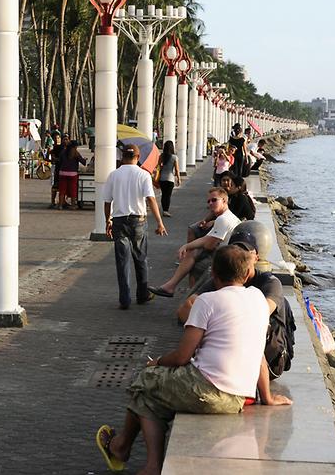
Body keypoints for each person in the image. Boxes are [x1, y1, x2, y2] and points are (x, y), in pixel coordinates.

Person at [95, 245, 270, 475]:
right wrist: (267, 397)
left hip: (205, 389)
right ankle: (133, 454)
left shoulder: (207, 302)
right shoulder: (258, 298)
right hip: (237, 397)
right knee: (152, 397)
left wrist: (156, 362)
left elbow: (181, 357)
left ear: (214, 274)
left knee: (144, 380)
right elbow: (259, 355)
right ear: (248, 274)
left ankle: (133, 455)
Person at [177, 228, 293, 408]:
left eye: (246, 252)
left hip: (269, 357)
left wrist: (213, 321)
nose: (240, 256)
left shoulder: (269, 283)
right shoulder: (224, 278)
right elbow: (184, 310)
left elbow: (255, 317)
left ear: (256, 257)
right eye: (236, 251)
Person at [101, 144, 167, 310]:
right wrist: (159, 222)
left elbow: (107, 202)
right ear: (138, 157)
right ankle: (142, 294)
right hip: (138, 221)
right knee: (140, 258)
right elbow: (151, 199)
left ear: (122, 156)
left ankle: (124, 299)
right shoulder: (143, 175)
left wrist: (107, 220)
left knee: (122, 261)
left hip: (118, 221)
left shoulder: (113, 175)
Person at [149, 187, 239, 297]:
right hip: (229, 254)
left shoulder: (223, 219)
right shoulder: (227, 217)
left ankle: (189, 297)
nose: (210, 203)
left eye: (214, 200)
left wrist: (187, 246)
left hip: (226, 258)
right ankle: (175, 289)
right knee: (193, 251)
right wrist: (187, 246)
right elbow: (208, 239)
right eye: (208, 201)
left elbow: (209, 245)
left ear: (224, 201)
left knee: (195, 262)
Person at [57, 140, 86, 210]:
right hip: (73, 174)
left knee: (62, 190)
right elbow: (83, 162)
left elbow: (59, 161)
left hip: (62, 173)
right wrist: (84, 159)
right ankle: (73, 206)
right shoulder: (76, 153)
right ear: (75, 146)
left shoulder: (63, 152)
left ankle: (60, 205)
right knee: (73, 190)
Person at [156, 141, 180, 217]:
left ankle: (164, 210)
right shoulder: (174, 157)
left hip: (162, 178)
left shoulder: (161, 156)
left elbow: (158, 166)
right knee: (168, 195)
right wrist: (178, 178)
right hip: (170, 179)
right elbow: (176, 169)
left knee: (163, 194)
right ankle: (166, 210)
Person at [48, 131, 63, 208]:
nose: (57, 139)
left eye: (58, 138)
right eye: (55, 138)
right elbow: (52, 159)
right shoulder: (54, 148)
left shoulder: (64, 147)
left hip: (63, 169)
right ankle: (53, 202)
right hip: (56, 169)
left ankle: (62, 202)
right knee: (54, 186)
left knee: (62, 187)